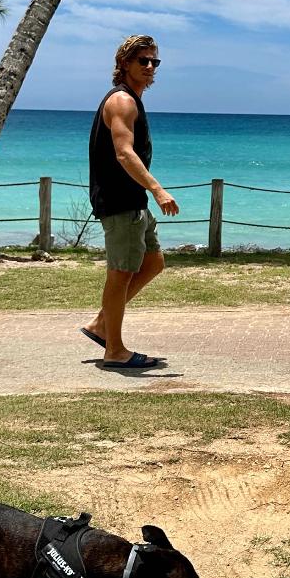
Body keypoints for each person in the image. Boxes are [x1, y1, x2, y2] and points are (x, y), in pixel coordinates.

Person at [80, 34, 178, 370]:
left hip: (133, 202)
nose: (150, 67)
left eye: (155, 62)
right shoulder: (122, 101)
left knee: (153, 263)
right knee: (120, 272)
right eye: (143, 61)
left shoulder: (132, 100)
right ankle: (115, 351)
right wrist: (157, 189)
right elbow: (124, 153)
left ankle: (100, 325)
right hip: (121, 201)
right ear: (124, 64)